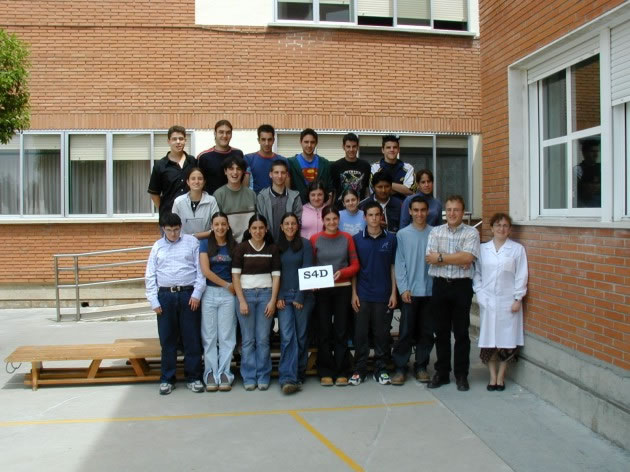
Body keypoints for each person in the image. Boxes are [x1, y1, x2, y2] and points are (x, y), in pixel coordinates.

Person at [145, 212, 206, 395]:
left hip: (188, 295)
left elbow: (201, 271)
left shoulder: (192, 242)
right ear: (163, 229)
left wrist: (197, 294)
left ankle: (194, 377)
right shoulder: (157, 246)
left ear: (181, 228)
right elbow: (150, 275)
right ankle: (167, 379)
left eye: (176, 230)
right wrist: (153, 300)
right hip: (165, 296)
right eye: (169, 230)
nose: (173, 234)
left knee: (191, 338)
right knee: (167, 339)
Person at [425, 195, 480, 392]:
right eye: (449, 210)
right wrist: (457, 258)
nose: (452, 213)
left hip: (461, 287)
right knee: (440, 332)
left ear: (463, 212)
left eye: (456, 210)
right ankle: (442, 373)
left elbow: (468, 257)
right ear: (444, 212)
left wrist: (441, 258)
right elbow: (430, 258)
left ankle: (461, 374)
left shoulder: (472, 232)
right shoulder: (436, 232)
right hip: (440, 286)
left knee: (461, 333)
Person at [474, 213, 528, 391]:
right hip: (488, 301)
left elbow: (521, 275)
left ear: (510, 229)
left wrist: (518, 298)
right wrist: (479, 293)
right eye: (498, 225)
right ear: (491, 228)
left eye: (505, 226)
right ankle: (492, 376)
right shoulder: (483, 249)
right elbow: (477, 273)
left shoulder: (517, 249)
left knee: (506, 341)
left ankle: (501, 377)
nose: (501, 229)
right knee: (489, 340)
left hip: (508, 302)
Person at [310, 206, 360, 387]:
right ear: (323, 221)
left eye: (334, 219)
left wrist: (343, 272)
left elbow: (355, 264)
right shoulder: (315, 239)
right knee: (324, 331)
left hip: (342, 288)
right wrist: (312, 282)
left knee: (341, 330)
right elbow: (311, 265)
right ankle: (325, 370)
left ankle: (341, 370)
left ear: (339, 220)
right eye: (328, 219)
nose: (332, 222)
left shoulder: (347, 238)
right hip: (322, 290)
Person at [232, 214, 281, 391]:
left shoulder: (272, 249)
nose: (258, 231)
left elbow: (276, 277)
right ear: (249, 230)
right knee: (247, 340)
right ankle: (249, 376)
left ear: (266, 229)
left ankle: (263, 375)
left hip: (266, 296)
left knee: (263, 339)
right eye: (254, 228)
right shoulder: (241, 248)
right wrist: (241, 301)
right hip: (246, 296)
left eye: (261, 228)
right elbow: (235, 276)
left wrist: (273, 300)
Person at [350, 202, 397, 386]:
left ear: (381, 216)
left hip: (383, 294)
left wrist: (393, 293)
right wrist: (354, 294)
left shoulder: (391, 239)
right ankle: (359, 370)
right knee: (360, 334)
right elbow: (354, 269)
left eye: (377, 214)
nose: (374, 218)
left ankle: (381, 369)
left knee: (382, 334)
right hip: (362, 294)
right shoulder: (356, 239)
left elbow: (393, 267)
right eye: (370, 215)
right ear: (365, 217)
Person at [391, 196, 434, 385]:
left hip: (430, 291)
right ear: (409, 211)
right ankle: (401, 367)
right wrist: (403, 288)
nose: (419, 214)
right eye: (415, 210)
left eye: (423, 210)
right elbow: (399, 263)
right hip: (410, 292)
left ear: (428, 211)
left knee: (426, 332)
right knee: (406, 332)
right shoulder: (402, 234)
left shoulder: (435, 233)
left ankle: (421, 366)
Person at [276, 212, 315, 394]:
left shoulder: (305, 244)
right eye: (287, 224)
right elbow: (275, 273)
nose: (290, 227)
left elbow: (307, 269)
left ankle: (299, 374)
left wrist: (300, 296)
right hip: (283, 297)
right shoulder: (276, 246)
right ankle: (287, 377)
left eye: (293, 223)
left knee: (301, 336)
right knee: (287, 336)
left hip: (303, 297)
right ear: (281, 227)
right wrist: (279, 296)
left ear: (298, 226)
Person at [199, 212, 237, 392]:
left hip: (228, 296)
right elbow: (206, 271)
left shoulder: (234, 245)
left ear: (228, 226)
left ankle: (224, 373)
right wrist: (227, 285)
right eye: (217, 224)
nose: (220, 227)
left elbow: (237, 271)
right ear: (212, 227)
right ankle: (210, 372)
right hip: (210, 293)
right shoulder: (205, 244)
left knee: (226, 336)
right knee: (209, 336)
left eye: (223, 224)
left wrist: (231, 287)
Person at [147, 125, 197, 218]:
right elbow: (154, 194)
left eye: (181, 139)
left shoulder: (193, 162)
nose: (178, 142)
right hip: (169, 218)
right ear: (168, 141)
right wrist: (165, 211)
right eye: (174, 139)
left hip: (191, 216)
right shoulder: (160, 165)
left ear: (185, 140)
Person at [256, 159, 303, 243]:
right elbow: (259, 222)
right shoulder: (261, 197)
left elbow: (297, 222)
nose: (280, 176)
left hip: (290, 244)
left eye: (283, 173)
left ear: (287, 175)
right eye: (276, 172)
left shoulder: (295, 197)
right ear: (270, 174)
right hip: (268, 244)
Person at [213, 155, 257, 243]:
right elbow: (217, 225)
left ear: (243, 172)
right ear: (225, 171)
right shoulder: (218, 195)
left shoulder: (251, 194)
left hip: (249, 244)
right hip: (228, 244)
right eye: (231, 169)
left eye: (238, 169)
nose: (235, 172)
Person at [197, 119, 245, 195]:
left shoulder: (238, 154)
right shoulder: (204, 157)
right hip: (212, 200)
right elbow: (198, 182)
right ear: (215, 134)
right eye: (221, 132)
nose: (225, 135)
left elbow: (243, 177)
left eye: (228, 132)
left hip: (235, 199)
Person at [171, 167, 219, 239]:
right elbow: (173, 226)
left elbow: (216, 226)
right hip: (183, 241)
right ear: (188, 182)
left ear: (204, 182)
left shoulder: (211, 201)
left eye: (200, 179)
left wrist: (193, 236)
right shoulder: (178, 202)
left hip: (206, 241)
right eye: (193, 179)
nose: (196, 182)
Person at [288, 128, 333, 204]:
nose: (309, 145)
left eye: (312, 142)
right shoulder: (291, 163)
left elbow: (329, 190)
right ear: (300, 142)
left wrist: (327, 209)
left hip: (320, 209)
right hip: (298, 208)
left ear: (316, 143)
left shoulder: (325, 164)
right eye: (306, 142)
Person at [330, 133, 371, 209]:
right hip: (340, 209)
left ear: (358, 147)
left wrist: (368, 207)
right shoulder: (335, 166)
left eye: (354, 146)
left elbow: (366, 189)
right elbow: (333, 191)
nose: (351, 150)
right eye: (348, 146)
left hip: (360, 209)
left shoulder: (366, 166)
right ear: (343, 147)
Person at [244, 124, 289, 194]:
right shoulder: (248, 159)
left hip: (277, 199)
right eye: (263, 139)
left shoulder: (283, 161)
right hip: (255, 199)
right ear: (258, 140)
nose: (267, 143)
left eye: (269, 139)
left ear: (273, 140)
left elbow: (287, 190)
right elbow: (245, 188)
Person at [370, 135, 414, 200]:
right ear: (383, 150)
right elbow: (375, 190)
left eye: (395, 147)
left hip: (402, 205)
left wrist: (384, 184)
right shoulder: (374, 167)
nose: (392, 150)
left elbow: (410, 191)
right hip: (380, 205)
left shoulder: (408, 168)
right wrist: (401, 188)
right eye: (388, 147)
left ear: (398, 150)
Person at [574, 138, 601, 208]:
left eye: (597, 151)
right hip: (586, 208)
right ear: (584, 153)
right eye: (592, 151)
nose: (596, 154)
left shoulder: (602, 167)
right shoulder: (578, 169)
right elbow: (584, 191)